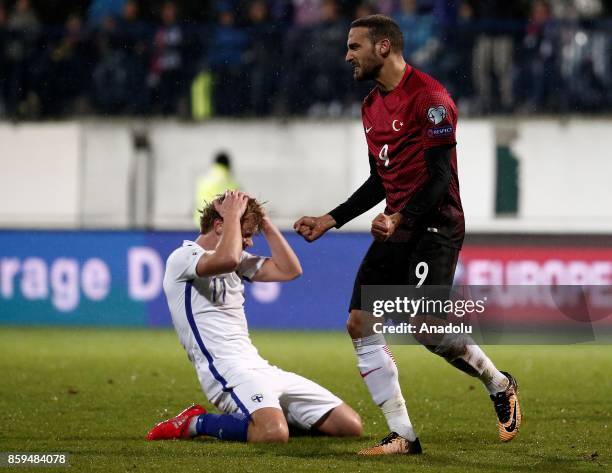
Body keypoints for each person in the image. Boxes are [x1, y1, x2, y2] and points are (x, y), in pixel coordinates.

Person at [294, 15, 521, 455]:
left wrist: (399, 217)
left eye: (354, 46)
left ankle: (498, 382)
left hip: (435, 225)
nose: (347, 56)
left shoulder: (431, 99)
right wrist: (331, 219)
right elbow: (380, 179)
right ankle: (404, 436)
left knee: (423, 325)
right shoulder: (369, 107)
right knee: (360, 323)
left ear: (383, 47)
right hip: (397, 227)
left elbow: (439, 177)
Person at [147, 190, 363, 443]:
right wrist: (231, 217)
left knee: (349, 425)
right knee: (272, 435)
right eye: (246, 235)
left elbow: (290, 270)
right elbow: (225, 259)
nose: (249, 242)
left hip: (260, 368)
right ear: (220, 226)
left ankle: (265, 418)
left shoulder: (236, 260)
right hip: (225, 371)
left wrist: (266, 222)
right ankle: (194, 423)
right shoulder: (183, 258)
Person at [192, 151, 239, 226]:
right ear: (228, 165)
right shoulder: (229, 181)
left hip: (199, 223)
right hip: (218, 226)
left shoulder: (203, 179)